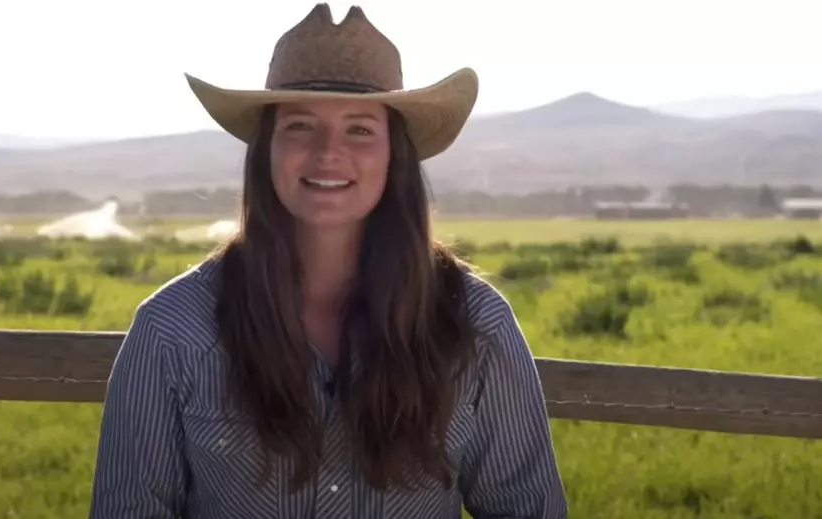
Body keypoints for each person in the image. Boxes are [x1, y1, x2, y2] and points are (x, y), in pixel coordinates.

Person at [88, 4, 567, 518]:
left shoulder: (476, 323)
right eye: (299, 126)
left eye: (359, 130)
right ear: (266, 148)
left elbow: (529, 509)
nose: (326, 153)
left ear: (394, 156)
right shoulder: (172, 330)